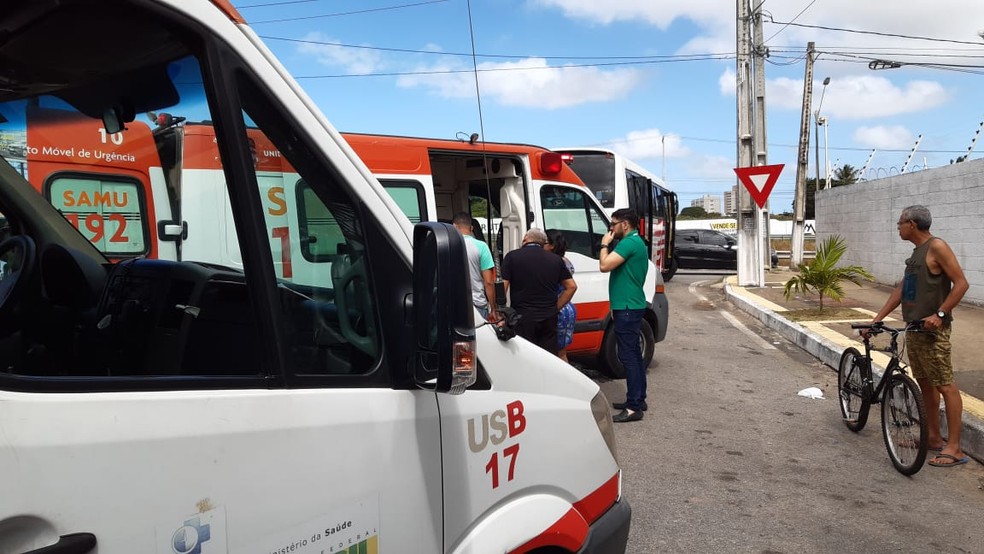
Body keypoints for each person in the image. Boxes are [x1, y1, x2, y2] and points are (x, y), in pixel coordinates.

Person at [868, 205, 969, 467]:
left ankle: (955, 448)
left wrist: (941, 314)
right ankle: (933, 437)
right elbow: (901, 290)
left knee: (945, 385)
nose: (898, 228)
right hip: (915, 328)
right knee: (925, 384)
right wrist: (877, 319)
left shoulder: (937, 246)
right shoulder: (916, 255)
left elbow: (961, 283)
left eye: (900, 224)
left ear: (911, 224)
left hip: (934, 331)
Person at [600, 209, 649, 423]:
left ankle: (633, 407)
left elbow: (604, 265)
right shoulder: (637, 242)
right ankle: (638, 398)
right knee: (635, 355)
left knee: (628, 356)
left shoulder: (628, 243)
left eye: (613, 224)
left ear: (625, 224)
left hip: (628, 307)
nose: (611, 228)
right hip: (629, 305)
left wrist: (604, 244)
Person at [501, 228, 576, 355]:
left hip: (523, 317)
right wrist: (555, 308)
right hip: (548, 318)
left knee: (525, 355)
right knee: (548, 357)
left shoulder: (512, 257)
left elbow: (503, 286)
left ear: (525, 238)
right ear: (543, 242)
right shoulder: (556, 260)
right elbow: (571, 286)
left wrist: (500, 310)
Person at [452, 212, 497, 322]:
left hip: (454, 304)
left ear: (454, 227)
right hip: (478, 305)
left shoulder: (447, 245)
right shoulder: (482, 247)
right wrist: (493, 309)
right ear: (471, 228)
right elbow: (488, 282)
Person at [545, 229, 577, 363]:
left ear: (552, 245)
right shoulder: (566, 261)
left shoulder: (553, 263)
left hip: (558, 309)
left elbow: (570, 286)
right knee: (562, 352)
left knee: (556, 354)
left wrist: (554, 308)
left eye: (544, 243)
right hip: (568, 308)